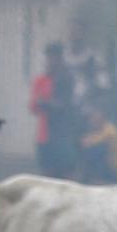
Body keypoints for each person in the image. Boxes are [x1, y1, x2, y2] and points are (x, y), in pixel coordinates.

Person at [29, 42, 78, 178]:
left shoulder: (68, 79)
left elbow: (65, 105)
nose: (51, 61)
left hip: (63, 133)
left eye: (55, 57)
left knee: (66, 174)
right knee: (47, 174)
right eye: (49, 57)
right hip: (45, 134)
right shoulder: (41, 80)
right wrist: (48, 103)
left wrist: (47, 103)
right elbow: (34, 106)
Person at [78, 103, 117, 184]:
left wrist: (88, 140)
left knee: (97, 149)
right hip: (102, 166)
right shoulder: (94, 130)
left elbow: (96, 141)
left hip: (113, 167)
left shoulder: (111, 130)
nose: (92, 120)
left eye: (95, 116)